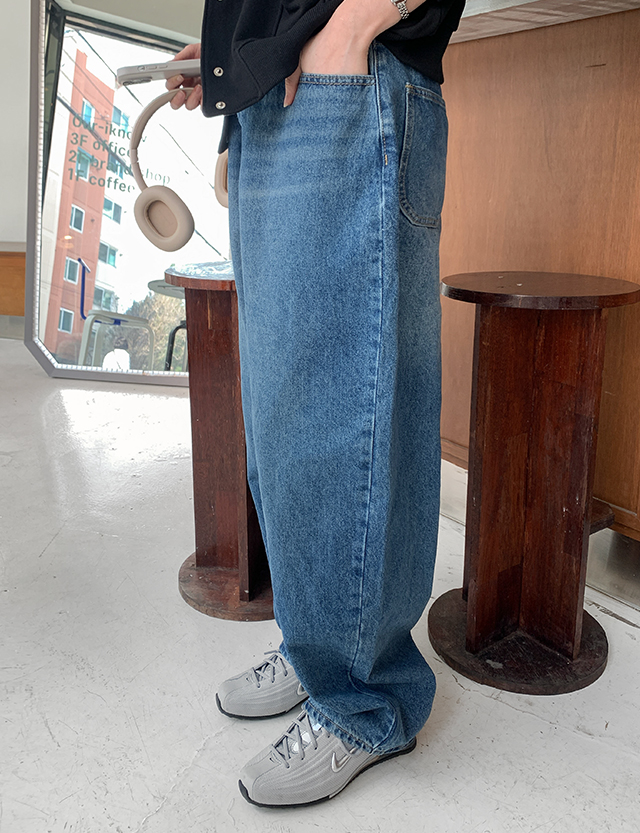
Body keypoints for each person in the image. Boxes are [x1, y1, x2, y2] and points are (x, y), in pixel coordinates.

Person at [168, 0, 465, 808]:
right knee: (284, 413)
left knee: (346, 411)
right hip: (280, 88)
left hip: (349, 76)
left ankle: (364, 699)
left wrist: (354, 24)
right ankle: (318, 648)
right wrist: (237, 50)